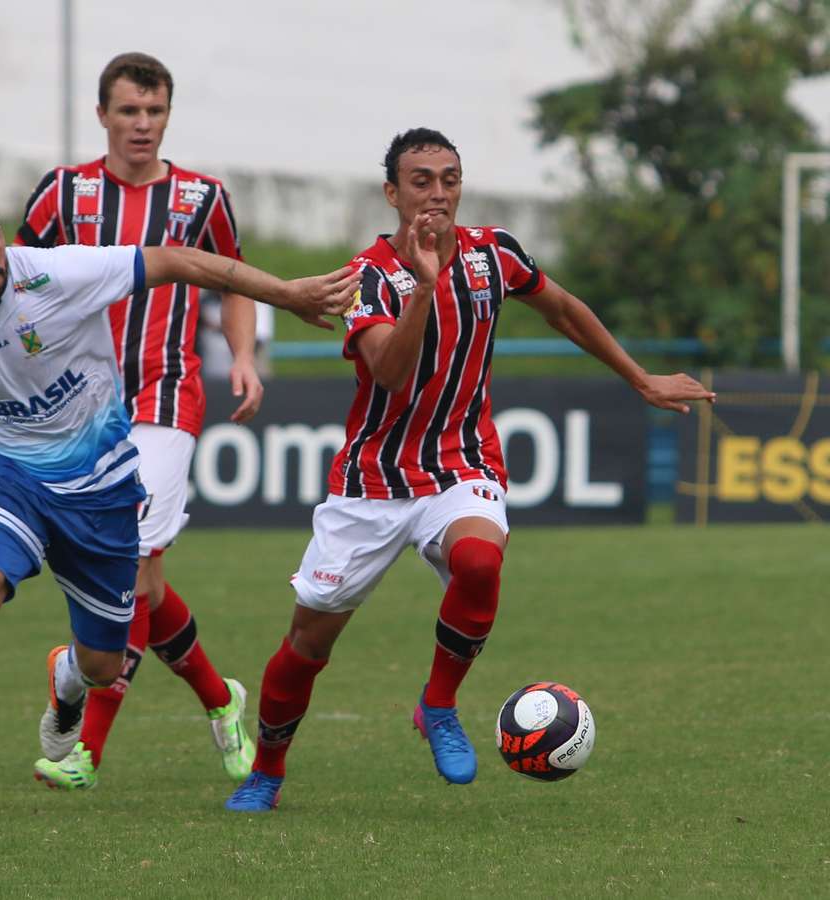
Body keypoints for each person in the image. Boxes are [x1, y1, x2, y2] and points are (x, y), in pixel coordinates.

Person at [0, 176, 357, 820]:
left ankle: (68, 674)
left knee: (102, 665)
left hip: (101, 493)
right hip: (11, 483)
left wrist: (284, 294)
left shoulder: (58, 274)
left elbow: (178, 259)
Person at [224, 128, 716, 812]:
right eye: (420, 180)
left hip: (462, 463)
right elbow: (391, 377)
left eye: (449, 178)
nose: (437, 193)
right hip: (372, 483)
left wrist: (640, 379)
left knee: (480, 563)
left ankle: (439, 704)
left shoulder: (494, 253)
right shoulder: (366, 276)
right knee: (308, 642)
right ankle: (267, 772)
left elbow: (566, 312)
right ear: (392, 193)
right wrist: (424, 288)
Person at [16, 52, 312, 791]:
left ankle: (88, 748)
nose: (142, 125)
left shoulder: (201, 197)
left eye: (154, 112)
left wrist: (242, 355)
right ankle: (219, 699)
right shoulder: (63, 194)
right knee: (143, 588)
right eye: (129, 112)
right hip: (79, 409)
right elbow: (18, 280)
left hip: (166, 398)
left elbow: (234, 279)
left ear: (167, 116)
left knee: (132, 565)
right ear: (103, 116)